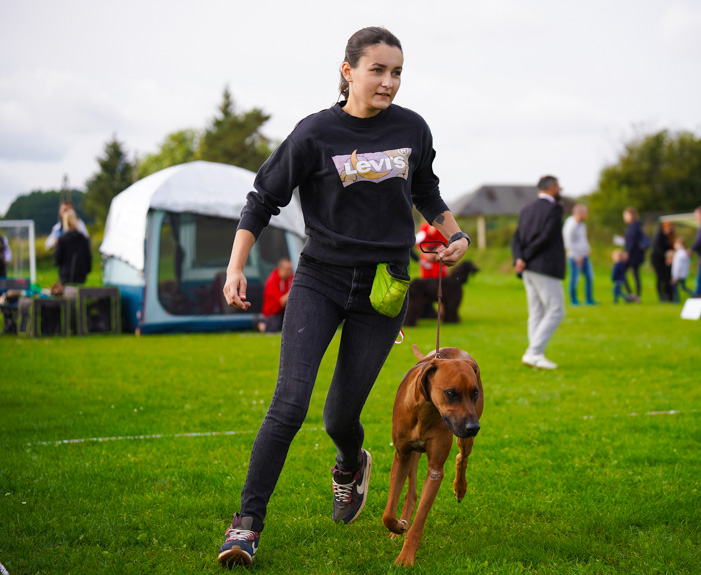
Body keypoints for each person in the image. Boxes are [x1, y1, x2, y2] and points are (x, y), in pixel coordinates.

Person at [217, 27, 470, 567]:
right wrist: (236, 266)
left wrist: (457, 236)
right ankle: (245, 526)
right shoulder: (314, 134)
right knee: (289, 403)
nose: (389, 81)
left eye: (397, 71)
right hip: (321, 280)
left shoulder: (412, 129)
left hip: (383, 290)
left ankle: (351, 463)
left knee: (339, 416)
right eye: (377, 69)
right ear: (347, 70)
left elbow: (426, 190)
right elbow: (262, 199)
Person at [511, 175, 566, 370]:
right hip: (545, 267)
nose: (561, 190)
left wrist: (519, 258)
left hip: (527, 268)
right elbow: (546, 237)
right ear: (552, 188)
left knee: (536, 312)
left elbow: (516, 238)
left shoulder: (526, 209)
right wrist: (524, 257)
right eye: (559, 187)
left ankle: (535, 355)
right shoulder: (554, 208)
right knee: (556, 310)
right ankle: (534, 352)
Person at [562, 203, 597, 306]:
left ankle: (589, 299)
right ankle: (574, 300)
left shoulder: (582, 224)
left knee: (589, 277)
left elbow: (583, 240)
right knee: (574, 278)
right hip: (574, 257)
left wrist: (587, 249)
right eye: (586, 213)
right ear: (580, 213)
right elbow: (568, 242)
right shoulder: (570, 224)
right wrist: (576, 256)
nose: (587, 215)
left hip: (584, 255)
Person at [54, 210, 91, 284]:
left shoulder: (63, 239)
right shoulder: (83, 238)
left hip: (65, 274)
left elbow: (58, 257)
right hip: (81, 273)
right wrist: (87, 270)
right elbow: (88, 257)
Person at [257, 258, 293, 333]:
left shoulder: (291, 279)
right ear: (280, 269)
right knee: (272, 328)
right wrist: (292, 291)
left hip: (287, 310)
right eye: (287, 269)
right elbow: (280, 302)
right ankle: (261, 325)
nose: (289, 272)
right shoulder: (272, 281)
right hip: (273, 311)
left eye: (290, 269)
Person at [622, 206, 646, 299]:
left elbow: (632, 240)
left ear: (631, 215)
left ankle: (634, 295)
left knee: (628, 272)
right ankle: (634, 294)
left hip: (634, 254)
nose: (624, 217)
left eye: (626, 215)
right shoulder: (632, 226)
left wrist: (627, 252)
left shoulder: (635, 226)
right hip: (632, 253)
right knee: (635, 274)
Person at [650, 221, 675, 302]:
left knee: (667, 278)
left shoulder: (670, 236)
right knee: (660, 277)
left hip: (667, 260)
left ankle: (668, 295)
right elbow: (658, 249)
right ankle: (661, 296)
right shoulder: (659, 236)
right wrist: (666, 255)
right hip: (658, 259)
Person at [670, 237, 693, 302]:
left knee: (675, 287)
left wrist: (675, 276)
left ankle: (676, 300)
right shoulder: (685, 253)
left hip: (678, 275)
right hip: (683, 274)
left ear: (680, 244)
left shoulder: (679, 254)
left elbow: (678, 265)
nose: (674, 246)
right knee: (683, 287)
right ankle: (694, 295)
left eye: (675, 244)